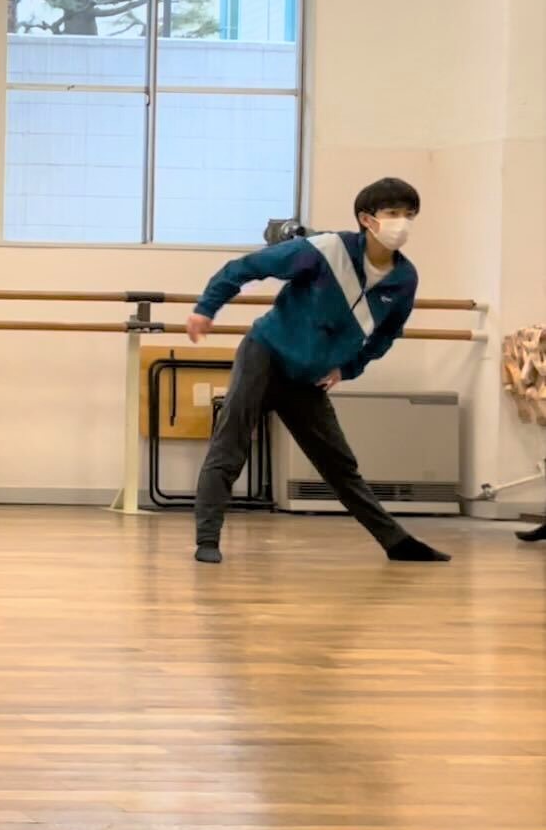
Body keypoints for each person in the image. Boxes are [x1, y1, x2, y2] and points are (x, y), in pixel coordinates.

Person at [185, 177, 448, 565]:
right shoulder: (326, 250)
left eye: (409, 215)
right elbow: (245, 267)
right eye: (393, 213)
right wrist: (206, 308)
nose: (402, 223)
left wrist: (348, 368)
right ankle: (207, 539)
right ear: (367, 219)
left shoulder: (404, 279)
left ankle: (397, 543)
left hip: (308, 378)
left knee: (339, 465)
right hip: (265, 355)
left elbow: (387, 334)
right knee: (230, 444)